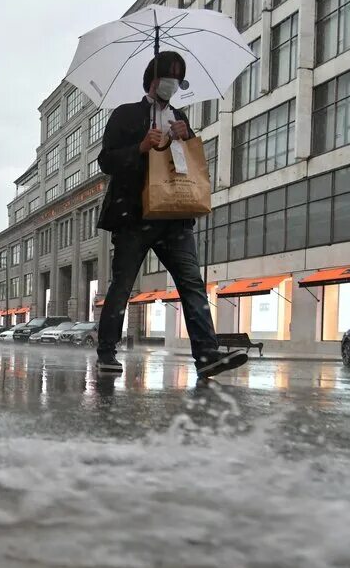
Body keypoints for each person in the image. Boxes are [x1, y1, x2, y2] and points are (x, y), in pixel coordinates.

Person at [94, 51, 247, 380]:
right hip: (133, 215)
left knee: (192, 283)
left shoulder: (179, 117)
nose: (173, 84)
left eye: (179, 78)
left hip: (174, 216)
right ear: (154, 78)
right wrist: (140, 148)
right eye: (169, 76)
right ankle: (107, 351)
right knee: (122, 285)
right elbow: (105, 161)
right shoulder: (126, 115)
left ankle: (207, 355)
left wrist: (187, 137)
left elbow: (189, 164)